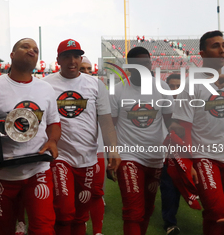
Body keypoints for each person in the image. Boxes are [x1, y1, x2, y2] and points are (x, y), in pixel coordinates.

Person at [0, 38, 61, 235]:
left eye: (35, 49)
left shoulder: (46, 89)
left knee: (43, 229)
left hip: (38, 170)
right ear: (12, 55)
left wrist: (52, 140)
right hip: (1, 174)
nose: (31, 50)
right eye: (25, 47)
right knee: (0, 230)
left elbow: (54, 123)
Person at [170, 30, 224, 235]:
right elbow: (183, 127)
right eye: (216, 46)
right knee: (217, 210)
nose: (222, 50)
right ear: (202, 53)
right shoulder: (191, 83)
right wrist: (189, 163)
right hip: (204, 157)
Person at [43, 39, 120, 235]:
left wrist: (113, 149)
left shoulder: (95, 84)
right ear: (58, 59)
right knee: (64, 211)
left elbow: (105, 120)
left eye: (76, 56)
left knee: (81, 214)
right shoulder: (44, 85)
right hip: (60, 157)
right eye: (67, 56)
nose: (72, 61)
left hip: (87, 158)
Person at [110, 46, 175, 235]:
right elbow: (110, 126)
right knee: (133, 211)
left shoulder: (162, 87)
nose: (146, 67)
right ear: (129, 66)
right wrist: (110, 155)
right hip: (128, 157)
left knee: (147, 209)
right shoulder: (118, 90)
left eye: (147, 62)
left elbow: (170, 122)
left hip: (155, 157)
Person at [79, 56, 106, 235]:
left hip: (98, 149)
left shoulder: (98, 88)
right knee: (74, 196)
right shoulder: (58, 88)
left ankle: (97, 231)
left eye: (90, 69)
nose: (88, 72)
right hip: (70, 153)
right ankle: (80, 226)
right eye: (84, 69)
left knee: (96, 193)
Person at [160, 73, 182, 235]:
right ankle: (170, 222)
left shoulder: (189, 104)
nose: (174, 89)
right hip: (166, 153)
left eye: (177, 86)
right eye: (171, 86)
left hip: (187, 152)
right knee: (169, 187)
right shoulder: (161, 103)